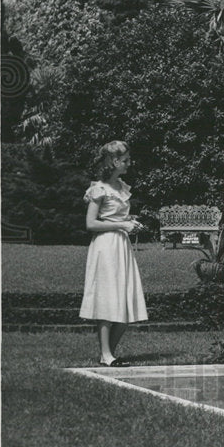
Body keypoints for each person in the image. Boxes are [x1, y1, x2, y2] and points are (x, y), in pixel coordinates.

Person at [79, 140, 148, 367]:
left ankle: (108, 354)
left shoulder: (121, 186)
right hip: (105, 246)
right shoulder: (99, 188)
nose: (130, 163)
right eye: (125, 160)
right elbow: (90, 223)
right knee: (108, 298)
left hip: (121, 246)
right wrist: (121, 226)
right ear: (114, 161)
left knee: (125, 297)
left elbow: (117, 218)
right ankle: (106, 354)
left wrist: (130, 221)